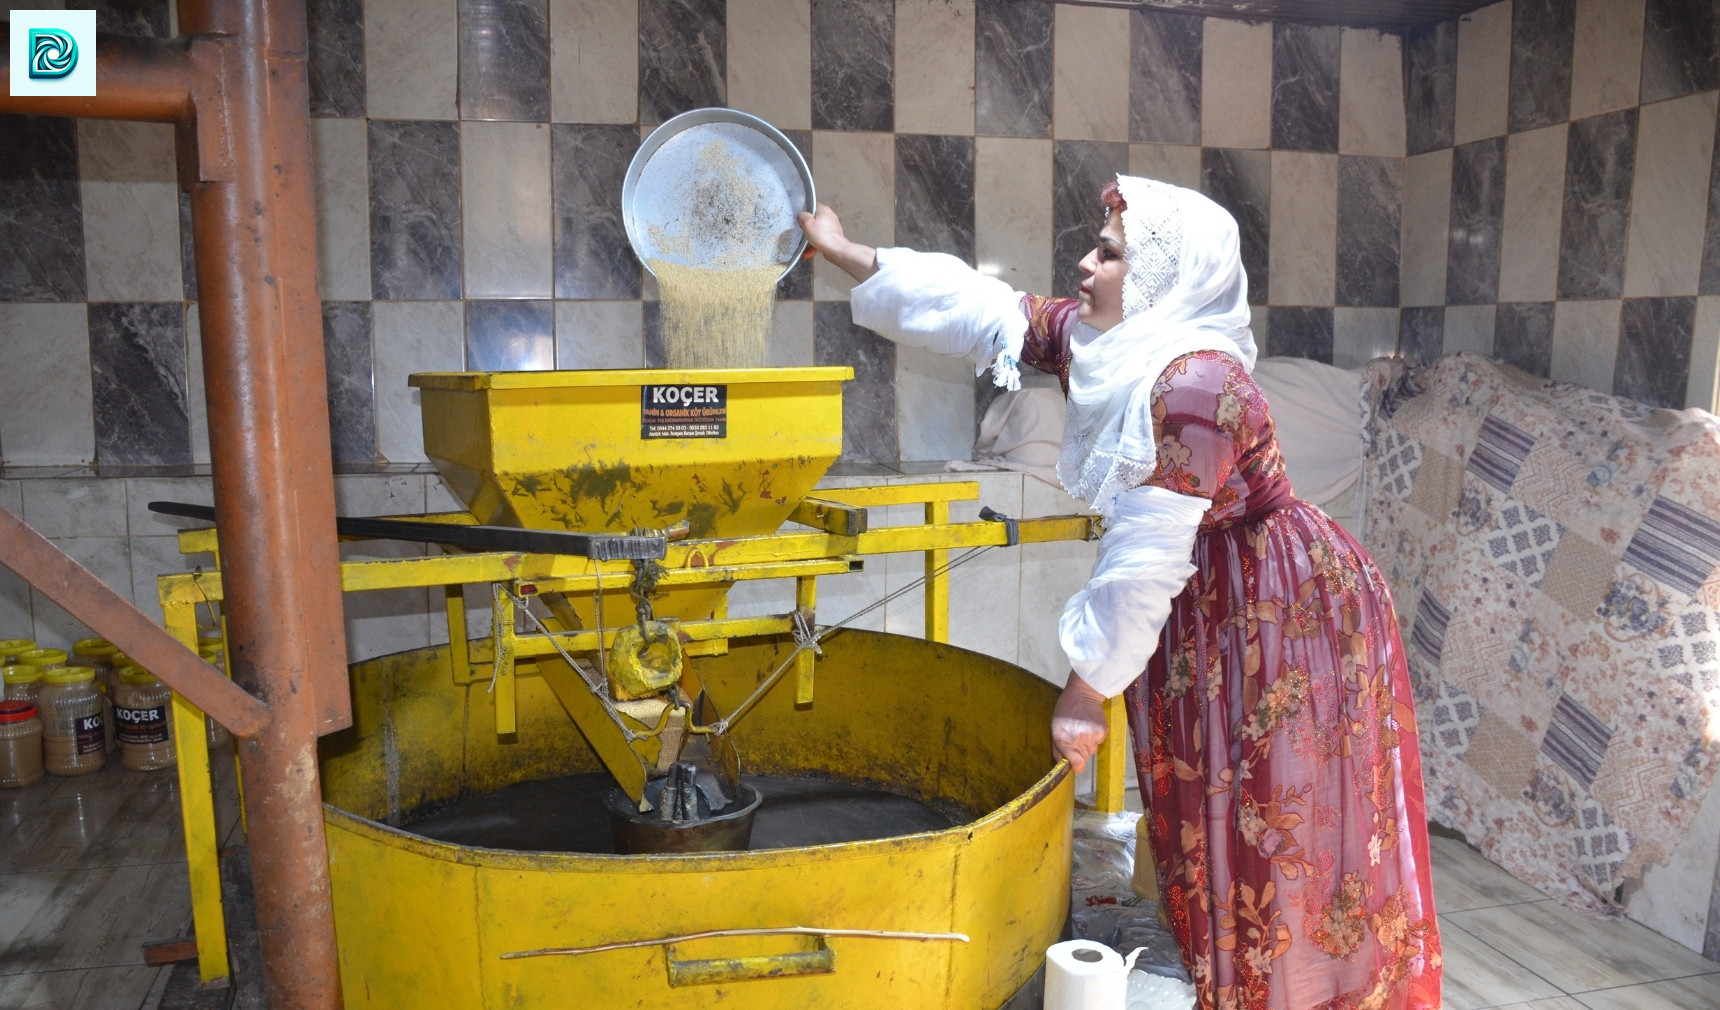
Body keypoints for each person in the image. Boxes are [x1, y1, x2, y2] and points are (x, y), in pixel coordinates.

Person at [799, 176, 1441, 1010]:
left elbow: (1143, 563)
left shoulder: (1194, 388)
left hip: (1283, 608)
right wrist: (848, 252)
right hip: (1207, 597)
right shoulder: (1117, 344)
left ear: (1164, 280)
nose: (1086, 260)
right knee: (1212, 788)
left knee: (1275, 806)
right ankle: (1233, 964)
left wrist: (1083, 693)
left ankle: (1292, 989)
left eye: (1110, 252)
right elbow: (986, 309)